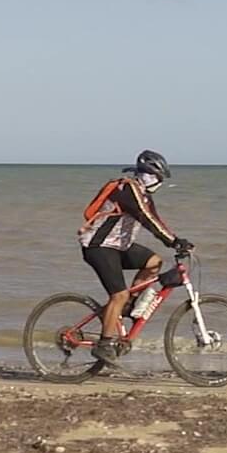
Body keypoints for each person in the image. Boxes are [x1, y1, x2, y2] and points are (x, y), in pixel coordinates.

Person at [79, 150, 191, 361]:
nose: (159, 183)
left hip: (118, 246)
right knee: (118, 295)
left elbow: (157, 220)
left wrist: (176, 239)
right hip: (98, 246)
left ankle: (126, 306)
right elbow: (146, 218)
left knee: (153, 262)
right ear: (148, 174)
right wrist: (173, 242)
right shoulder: (129, 189)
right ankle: (104, 345)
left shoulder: (142, 194)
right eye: (158, 178)